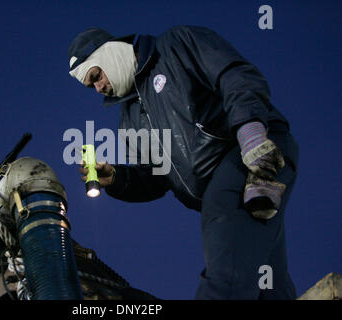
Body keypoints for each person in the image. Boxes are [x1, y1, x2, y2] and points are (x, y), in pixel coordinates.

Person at [68, 25, 299, 299]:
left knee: (226, 239)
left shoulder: (174, 47)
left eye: (96, 75)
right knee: (264, 270)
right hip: (215, 186)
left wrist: (250, 132)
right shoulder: (129, 121)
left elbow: (233, 73)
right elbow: (156, 178)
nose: (98, 88)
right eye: (91, 85)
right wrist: (117, 178)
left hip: (246, 149)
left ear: (108, 54)